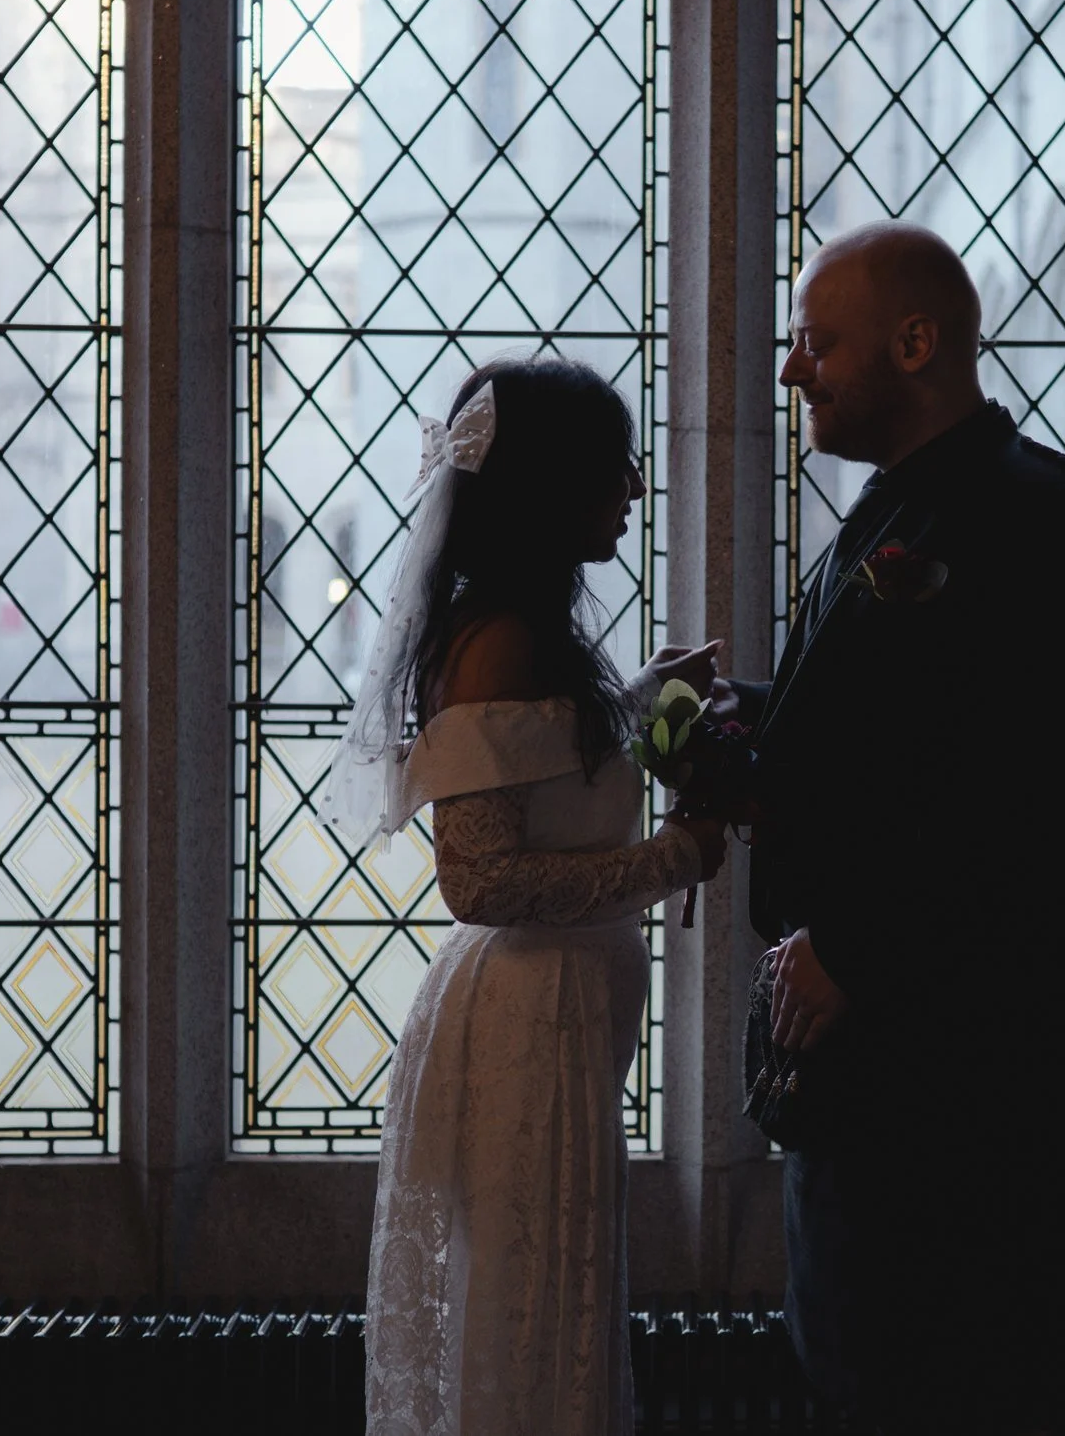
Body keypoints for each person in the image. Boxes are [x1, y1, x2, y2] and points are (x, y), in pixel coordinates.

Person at [713, 223, 1065, 1432]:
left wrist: (850, 946)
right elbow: (890, 738)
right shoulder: (885, 515)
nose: (793, 370)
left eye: (815, 341)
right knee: (860, 1374)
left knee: (967, 1379)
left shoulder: (1033, 514)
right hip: (867, 1082)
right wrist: (732, 718)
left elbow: (1020, 788)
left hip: (972, 1086)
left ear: (916, 342)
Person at [324, 358, 728, 1436]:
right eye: (616, 467)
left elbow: (542, 775)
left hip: (558, 1018)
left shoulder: (523, 627)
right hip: (525, 1024)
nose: (635, 489)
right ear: (554, 486)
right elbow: (484, 877)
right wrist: (676, 856)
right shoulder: (498, 635)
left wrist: (648, 697)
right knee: (528, 1323)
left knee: (548, 1311)